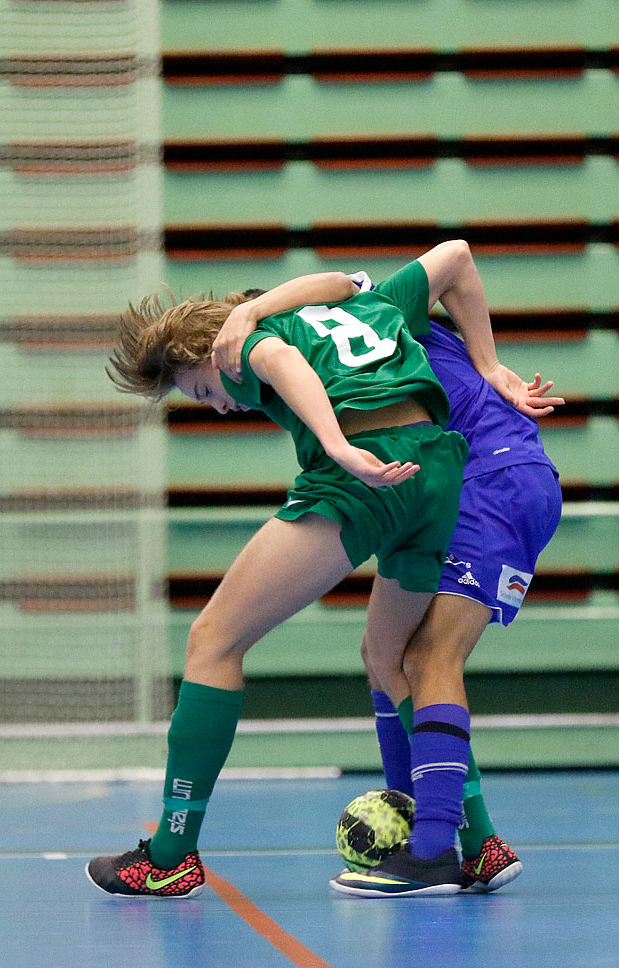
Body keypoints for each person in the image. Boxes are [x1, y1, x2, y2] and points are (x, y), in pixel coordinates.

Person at [89, 241, 524, 897]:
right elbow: (444, 259)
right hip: (437, 473)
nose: (218, 403)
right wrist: (489, 365)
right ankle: (476, 839)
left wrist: (337, 444)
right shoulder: (360, 304)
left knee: (214, 640)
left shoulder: (241, 342)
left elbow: (277, 359)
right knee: (391, 653)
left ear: (205, 353)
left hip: (366, 473)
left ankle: (171, 854)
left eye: (203, 391)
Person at [211, 251, 563, 896]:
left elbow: (448, 257)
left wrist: (488, 368)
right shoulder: (363, 318)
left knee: (430, 656)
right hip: (486, 479)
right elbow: (351, 275)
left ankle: (435, 849)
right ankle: (426, 824)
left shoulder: (356, 316)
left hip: (493, 479)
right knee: (384, 652)